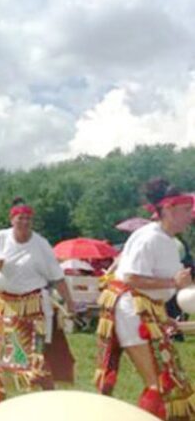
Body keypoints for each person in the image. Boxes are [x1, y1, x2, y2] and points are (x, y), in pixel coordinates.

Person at [96, 179, 195, 419]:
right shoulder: (151, 237)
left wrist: (163, 316)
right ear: (169, 210)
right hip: (132, 311)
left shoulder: (164, 239)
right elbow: (130, 278)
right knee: (159, 384)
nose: (191, 216)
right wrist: (174, 283)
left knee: (168, 381)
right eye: (186, 210)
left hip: (144, 310)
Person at [0, 198, 76, 402]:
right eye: (20, 218)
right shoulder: (1, 237)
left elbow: (57, 276)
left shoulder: (41, 244)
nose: (24, 222)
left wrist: (70, 302)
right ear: (12, 219)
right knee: (5, 357)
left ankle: (49, 402)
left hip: (36, 307)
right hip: (8, 306)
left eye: (28, 219)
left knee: (38, 356)